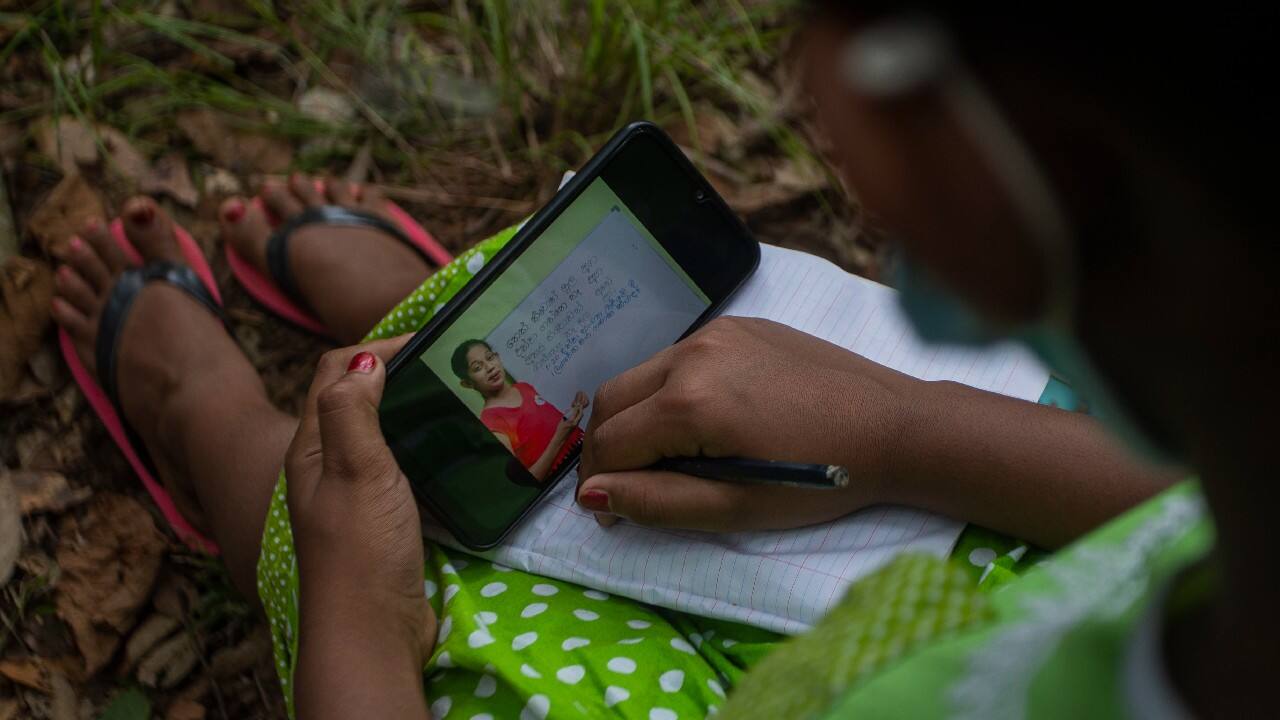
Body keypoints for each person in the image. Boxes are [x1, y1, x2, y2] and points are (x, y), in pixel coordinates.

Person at [45, 5, 1271, 719]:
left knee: (333, 500)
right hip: (993, 516)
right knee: (607, 344)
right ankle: (445, 311)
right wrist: (901, 427)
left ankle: (206, 421)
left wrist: (358, 630)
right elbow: (1189, 495)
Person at [451, 339, 588, 481]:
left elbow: (548, 427)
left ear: (498, 357)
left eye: (490, 357)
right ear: (467, 383)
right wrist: (560, 437)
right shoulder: (491, 422)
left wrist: (574, 409)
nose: (490, 367)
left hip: (584, 451)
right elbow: (530, 480)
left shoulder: (523, 387)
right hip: (563, 479)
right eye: (478, 368)